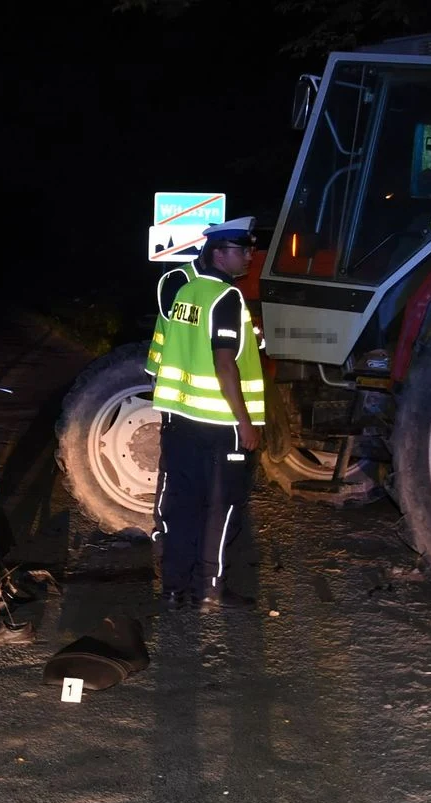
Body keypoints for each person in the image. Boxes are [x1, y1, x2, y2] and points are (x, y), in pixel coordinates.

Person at [149, 216, 266, 610]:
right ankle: (210, 591)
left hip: (181, 421)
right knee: (221, 509)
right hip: (220, 426)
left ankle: (173, 590)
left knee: (181, 506)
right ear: (219, 254)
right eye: (242, 250)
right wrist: (245, 424)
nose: (249, 256)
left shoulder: (185, 292)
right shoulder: (225, 297)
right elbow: (224, 364)